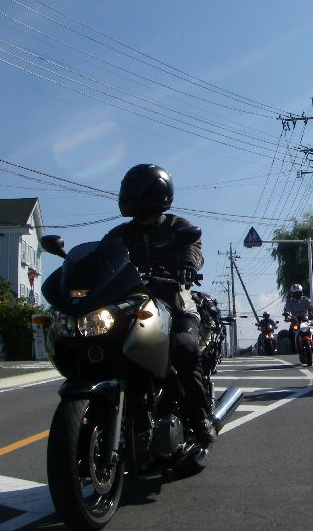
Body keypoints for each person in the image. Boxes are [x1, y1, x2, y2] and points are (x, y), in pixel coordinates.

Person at [103, 163, 214, 445]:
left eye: (135, 190)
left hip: (174, 304)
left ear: (156, 194)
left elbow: (192, 248)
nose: (129, 196)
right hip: (132, 309)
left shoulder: (178, 227)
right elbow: (101, 257)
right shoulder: (120, 235)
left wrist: (187, 266)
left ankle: (199, 417)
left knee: (184, 348)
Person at [283, 284, 313, 351]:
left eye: (298, 293)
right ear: (292, 294)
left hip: (306, 319)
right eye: (295, 293)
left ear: (301, 292)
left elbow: (312, 307)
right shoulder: (290, 302)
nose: (297, 295)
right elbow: (287, 310)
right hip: (295, 321)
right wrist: (287, 315)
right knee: (290, 333)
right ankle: (293, 347)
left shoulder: (306, 299)